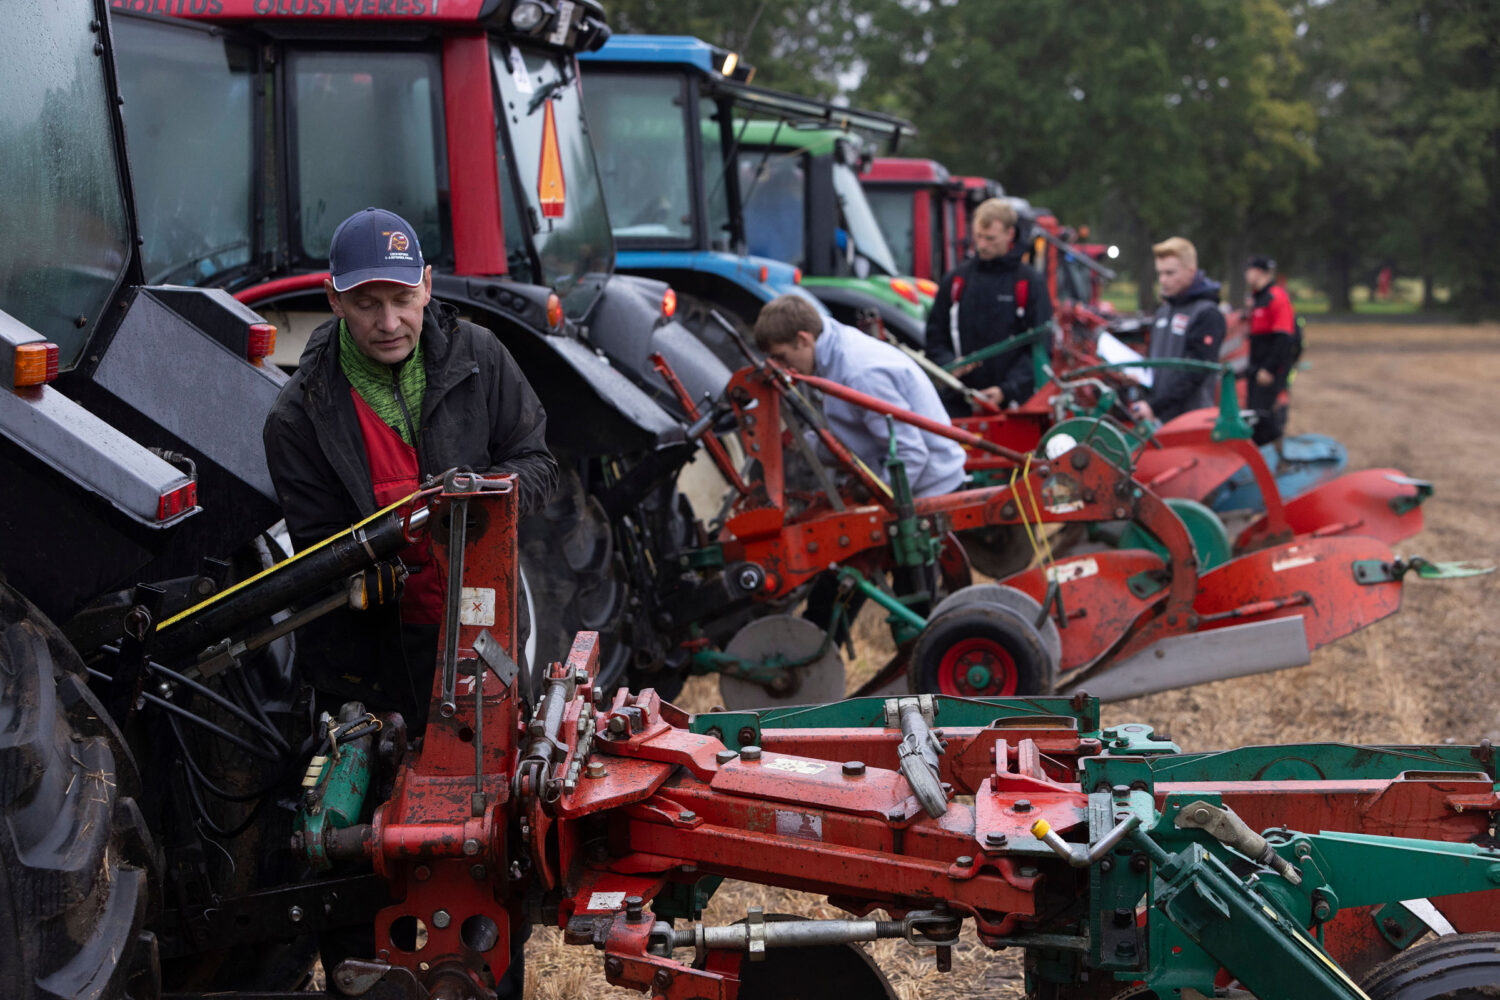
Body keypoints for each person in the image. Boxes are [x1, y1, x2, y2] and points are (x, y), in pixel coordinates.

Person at [263, 207, 558, 728]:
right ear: (334, 298)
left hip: (485, 628)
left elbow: (537, 462)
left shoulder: (480, 358)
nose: (389, 323)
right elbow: (319, 549)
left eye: (402, 299)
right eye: (366, 304)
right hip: (373, 663)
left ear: (426, 286)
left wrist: (482, 500)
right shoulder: (300, 415)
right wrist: (367, 573)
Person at [754, 294, 966, 498]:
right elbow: (855, 437)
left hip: (929, 490)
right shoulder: (830, 348)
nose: (781, 367)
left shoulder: (859, 373)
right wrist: (802, 443)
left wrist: (877, 495)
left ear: (803, 339)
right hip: (913, 480)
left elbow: (910, 454)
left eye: (781, 357)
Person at [924, 197, 1054, 412]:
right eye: (978, 237)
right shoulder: (956, 281)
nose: (982, 245)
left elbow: (1041, 347)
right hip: (958, 404)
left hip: (1013, 409)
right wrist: (950, 365)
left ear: (1010, 234)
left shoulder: (1029, 283)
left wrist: (1007, 390)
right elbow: (935, 336)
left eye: (990, 238)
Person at [1129, 237, 1226, 424]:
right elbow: (1155, 363)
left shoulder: (1206, 314)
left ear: (1191, 272)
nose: (1163, 280)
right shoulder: (1163, 311)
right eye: (1160, 274)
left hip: (1189, 421)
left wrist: (1155, 406)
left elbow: (1194, 373)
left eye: (1170, 273)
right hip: (1158, 418)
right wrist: (1140, 380)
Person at [1243, 254, 1298, 445]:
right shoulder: (1257, 298)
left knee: (1268, 416)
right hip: (1256, 367)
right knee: (1254, 414)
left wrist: (1269, 368)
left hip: (1269, 370)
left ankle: (1275, 455)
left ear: (1258, 272)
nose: (1246, 275)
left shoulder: (1276, 297)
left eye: (1249, 270)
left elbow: (1284, 338)